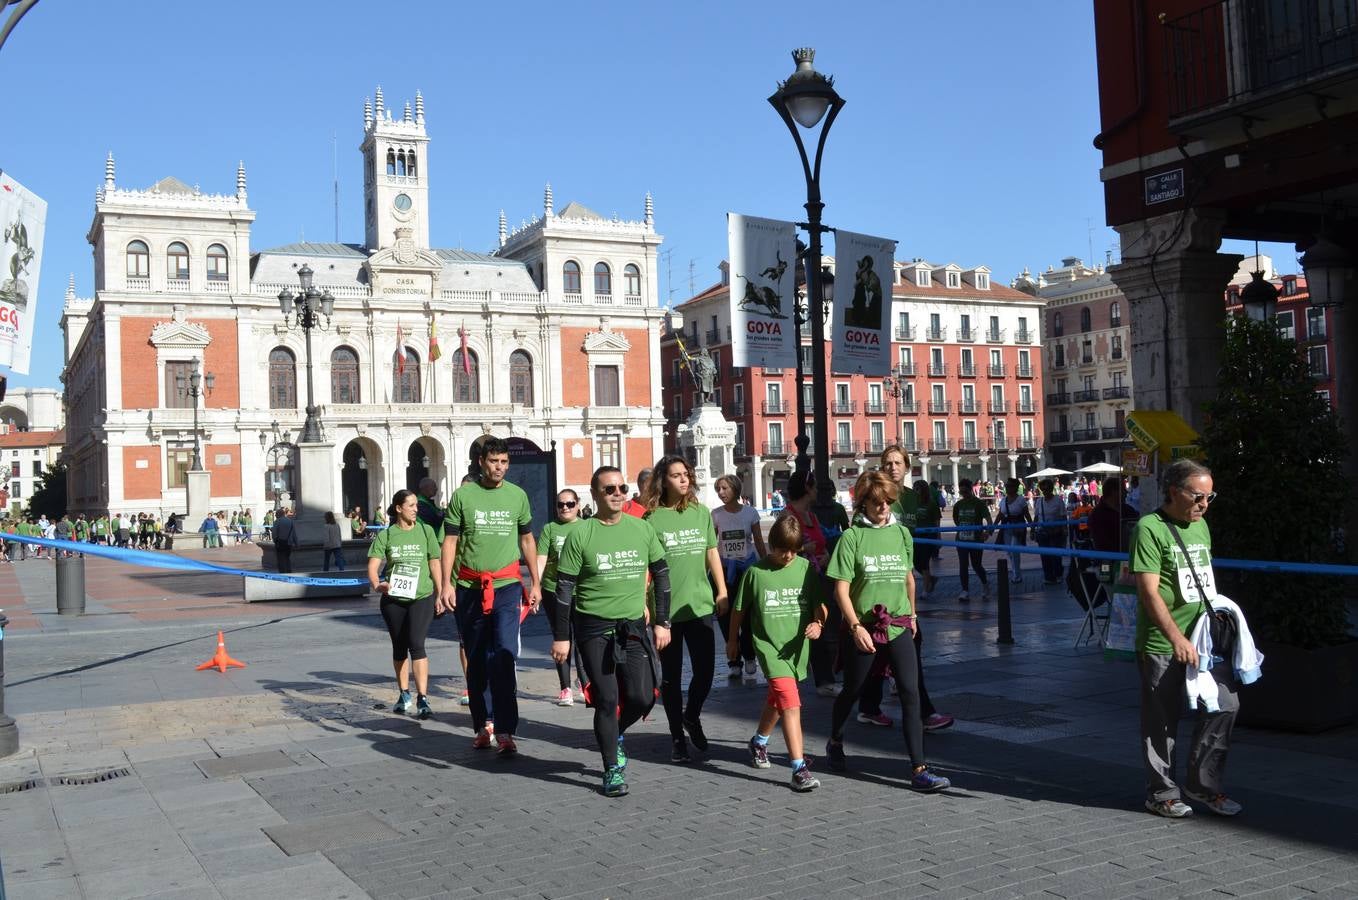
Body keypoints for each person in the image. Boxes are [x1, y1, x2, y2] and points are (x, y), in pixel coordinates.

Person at [823, 470, 951, 792]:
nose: (883, 508)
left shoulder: (901, 534)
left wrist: (913, 615)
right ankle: (835, 738)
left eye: (887, 502)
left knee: (910, 693)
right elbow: (841, 588)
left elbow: (908, 578)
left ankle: (919, 769)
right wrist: (854, 627)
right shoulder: (852, 538)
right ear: (863, 502)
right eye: (877, 502)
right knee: (852, 689)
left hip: (898, 626)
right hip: (865, 627)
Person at [552, 465, 671, 797]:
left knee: (641, 696)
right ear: (595, 494)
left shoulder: (642, 529)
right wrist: (562, 636)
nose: (618, 494)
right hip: (593, 628)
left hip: (633, 627)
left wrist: (663, 621)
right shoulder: (580, 535)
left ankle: (613, 733)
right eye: (610, 489)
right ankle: (611, 770)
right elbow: (564, 591)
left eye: (622, 488)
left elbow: (661, 575)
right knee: (607, 699)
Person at [1132, 459, 1241, 819]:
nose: (1204, 505)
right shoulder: (1149, 528)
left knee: (1225, 705)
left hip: (1204, 642)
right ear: (1174, 491)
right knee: (1162, 721)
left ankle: (1201, 784)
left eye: (1210, 497)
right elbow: (1149, 592)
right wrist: (1176, 637)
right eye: (1198, 497)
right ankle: (1161, 793)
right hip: (1163, 643)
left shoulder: (1202, 526)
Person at [439, 437, 540, 756]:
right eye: (494, 461)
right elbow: (450, 543)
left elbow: (527, 540)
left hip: (507, 586)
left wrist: (535, 581)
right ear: (481, 462)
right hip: (469, 587)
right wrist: (445, 585)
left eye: (504, 462)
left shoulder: (518, 496)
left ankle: (507, 730)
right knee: (478, 658)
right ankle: (483, 724)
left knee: (505, 655)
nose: (500, 468)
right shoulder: (463, 496)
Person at [728, 515, 826, 792]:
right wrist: (732, 641)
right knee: (791, 703)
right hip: (769, 647)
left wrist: (818, 623)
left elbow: (820, 605)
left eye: (794, 550)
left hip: (796, 646)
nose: (788, 556)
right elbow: (738, 610)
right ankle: (798, 769)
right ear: (771, 545)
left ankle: (759, 742)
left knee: (778, 698)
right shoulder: (756, 573)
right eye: (783, 549)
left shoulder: (805, 568)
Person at [643, 455, 728, 763]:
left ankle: (691, 715)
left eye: (686, 474)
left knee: (705, 672)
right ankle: (677, 737)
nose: (683, 479)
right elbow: (645, 567)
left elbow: (711, 553)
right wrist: (644, 603)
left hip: (700, 603)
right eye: (676, 475)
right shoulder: (651, 518)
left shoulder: (701, 513)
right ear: (663, 480)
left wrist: (722, 591)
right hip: (667, 612)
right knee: (671, 678)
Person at [368, 489, 443, 721]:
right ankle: (404, 694)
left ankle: (423, 697)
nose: (415, 509)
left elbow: (434, 563)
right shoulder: (387, 535)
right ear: (399, 508)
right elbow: (373, 566)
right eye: (410, 505)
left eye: (416, 505)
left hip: (421, 596)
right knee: (399, 646)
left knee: (416, 643)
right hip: (393, 600)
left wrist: (441, 593)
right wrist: (377, 584)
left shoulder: (425, 530)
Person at [779, 470, 837, 697]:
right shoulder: (787, 516)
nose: (816, 491)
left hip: (818, 578)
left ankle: (824, 679)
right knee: (801, 627)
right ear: (807, 489)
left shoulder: (812, 517)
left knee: (820, 624)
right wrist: (803, 549)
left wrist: (826, 556)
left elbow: (822, 544)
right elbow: (781, 547)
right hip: (796, 581)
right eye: (813, 487)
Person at [712, 473, 765, 680]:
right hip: (725, 570)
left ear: (735, 489)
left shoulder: (750, 513)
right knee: (725, 616)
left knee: (748, 615)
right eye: (718, 489)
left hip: (747, 569)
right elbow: (711, 545)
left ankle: (749, 655)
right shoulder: (715, 515)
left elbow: (759, 541)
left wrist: (766, 564)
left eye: (724, 488)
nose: (721, 493)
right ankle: (734, 661)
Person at [537, 488, 586, 706]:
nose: (565, 508)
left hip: (583, 591)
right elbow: (540, 559)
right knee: (562, 637)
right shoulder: (550, 529)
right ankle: (565, 688)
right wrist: (535, 588)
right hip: (553, 590)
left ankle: (586, 685)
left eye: (570, 504)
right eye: (560, 504)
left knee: (584, 640)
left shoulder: (587, 527)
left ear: (578, 504)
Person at [951, 479, 992, 602]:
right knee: (963, 565)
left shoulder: (979, 503)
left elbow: (989, 520)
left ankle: (985, 585)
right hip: (962, 539)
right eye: (962, 492)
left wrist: (987, 532)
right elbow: (956, 519)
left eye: (966, 491)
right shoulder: (958, 505)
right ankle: (965, 590)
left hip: (976, 540)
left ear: (971, 489)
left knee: (976, 565)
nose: (965, 494)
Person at [1090, 476, 1139, 553]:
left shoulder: (1129, 510)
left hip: (1128, 558)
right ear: (1114, 492)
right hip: (1107, 560)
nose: (1126, 492)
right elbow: (1101, 543)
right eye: (1123, 490)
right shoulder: (1097, 514)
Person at [1032, 478, 1068, 584]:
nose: (1044, 492)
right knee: (1045, 556)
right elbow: (1036, 516)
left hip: (1055, 532)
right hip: (1042, 532)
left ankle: (1058, 574)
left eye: (1046, 489)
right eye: (1043, 490)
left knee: (1056, 556)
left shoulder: (1058, 500)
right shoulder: (1039, 501)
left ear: (1051, 489)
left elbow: (1063, 516)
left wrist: (1064, 529)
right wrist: (1033, 530)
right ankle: (1048, 576)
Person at [995, 478, 1031, 582]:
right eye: (1007, 485)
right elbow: (1000, 515)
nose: (1008, 487)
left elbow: (1026, 514)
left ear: (1015, 487)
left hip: (1018, 527)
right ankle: (1015, 571)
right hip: (1006, 527)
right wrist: (993, 527)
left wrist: (1032, 526)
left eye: (1010, 486)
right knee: (1009, 552)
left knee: (1014, 550)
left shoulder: (1020, 499)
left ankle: (1017, 575)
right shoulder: (1003, 500)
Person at [272, 508, 298, 573]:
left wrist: (275, 541)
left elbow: (274, 533)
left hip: (280, 543)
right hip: (289, 543)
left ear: (279, 514)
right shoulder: (290, 521)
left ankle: (282, 572)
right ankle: (289, 571)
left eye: (276, 514)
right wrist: (296, 543)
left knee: (280, 559)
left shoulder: (277, 521)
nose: (275, 516)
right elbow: (294, 533)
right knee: (287, 558)